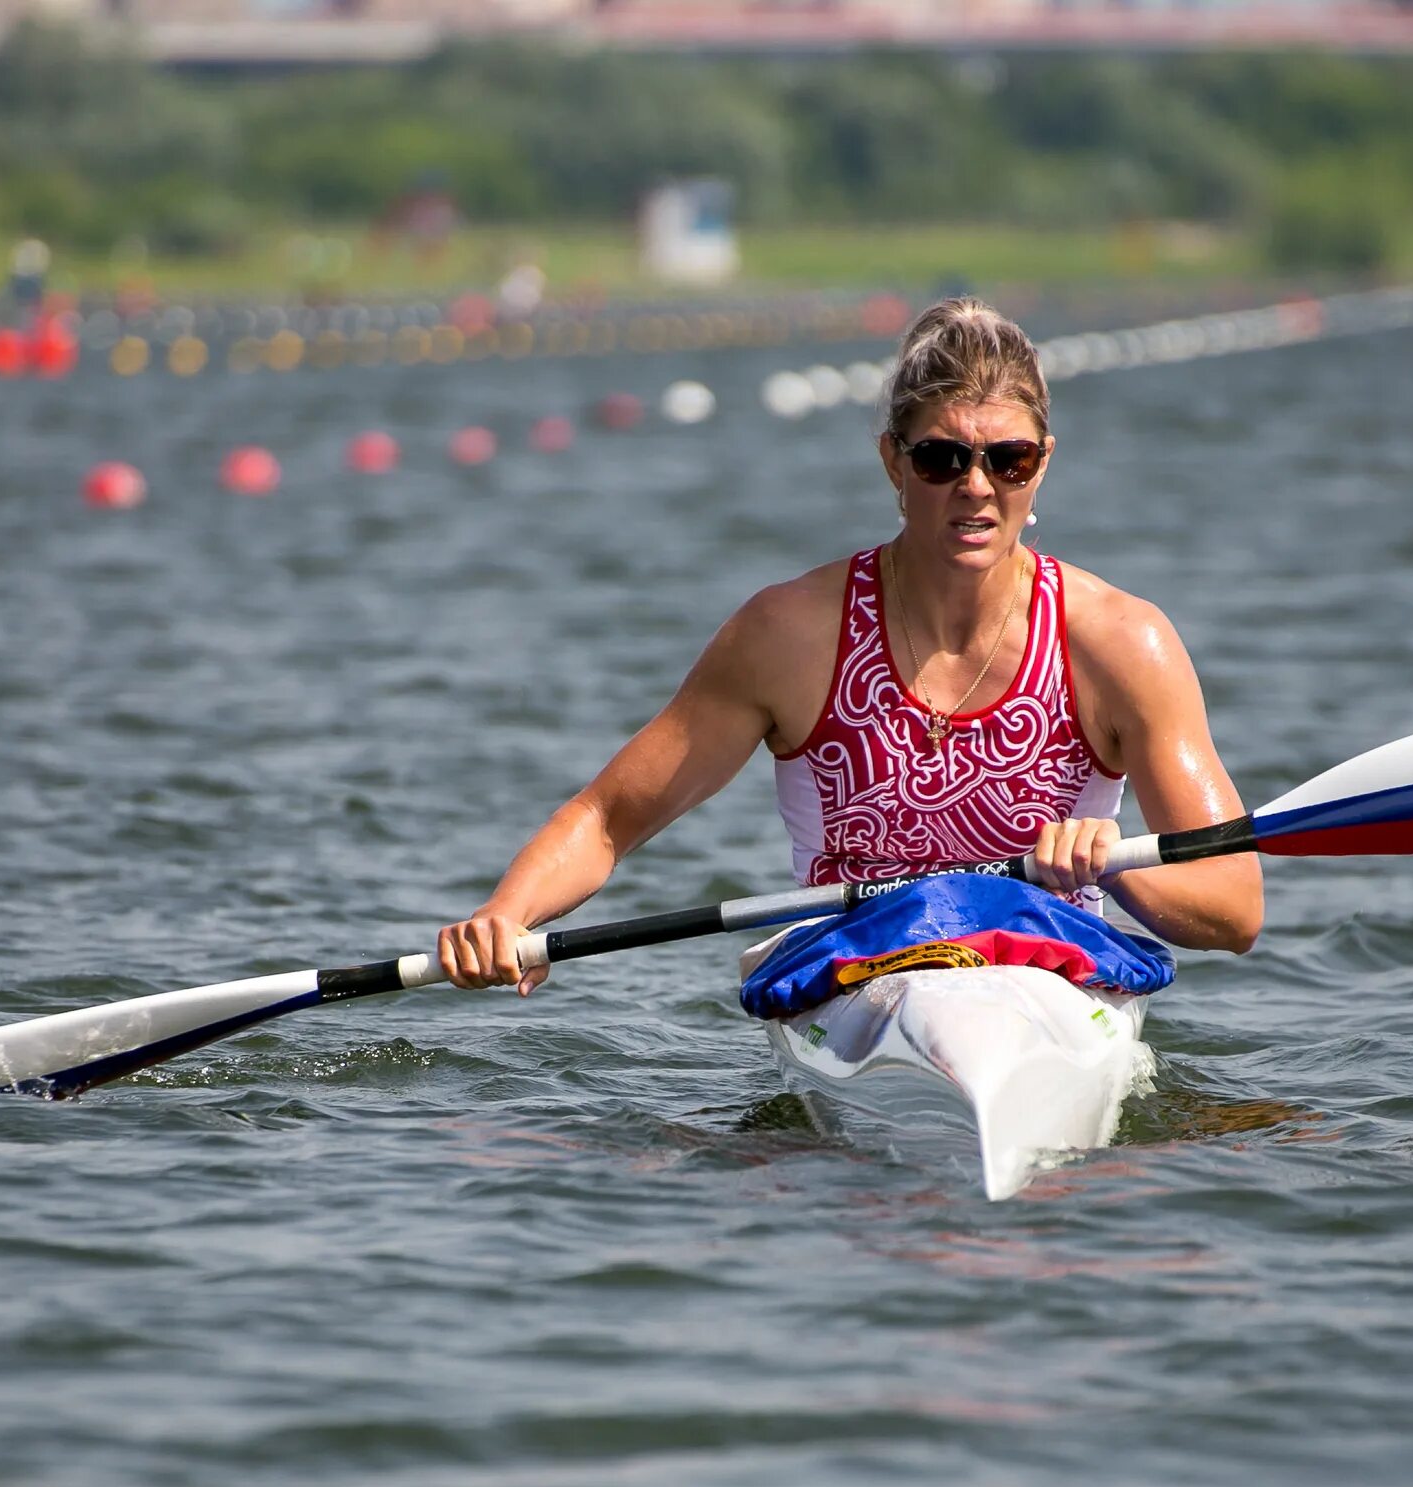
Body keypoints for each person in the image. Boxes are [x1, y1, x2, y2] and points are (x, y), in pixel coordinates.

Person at [437, 297, 1261, 1001]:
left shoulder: (1120, 642)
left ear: (1040, 466)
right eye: (942, 458)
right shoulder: (790, 635)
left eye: (1007, 460)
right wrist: (509, 915)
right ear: (892, 464)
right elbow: (607, 819)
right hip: (859, 983)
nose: (976, 486)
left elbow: (1234, 906)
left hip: (1051, 984)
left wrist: (1114, 866)